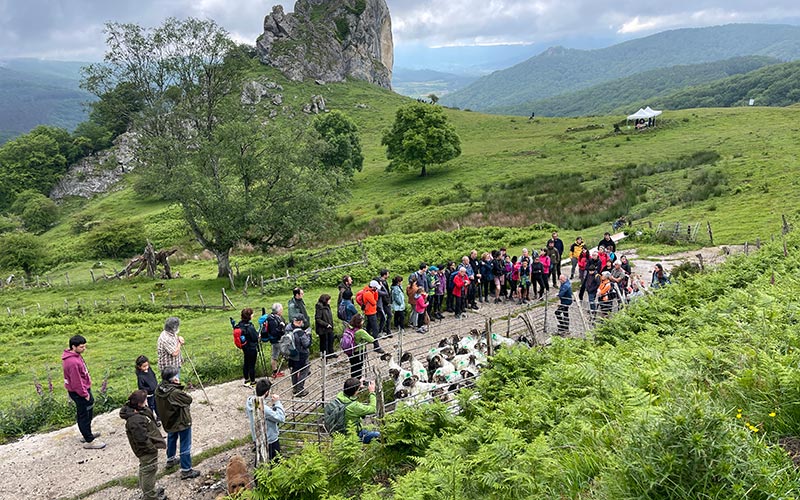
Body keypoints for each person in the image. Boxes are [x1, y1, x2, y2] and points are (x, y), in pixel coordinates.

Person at [120, 390, 167, 500]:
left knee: (145, 469)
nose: (147, 401)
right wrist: (152, 448)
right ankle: (151, 496)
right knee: (148, 471)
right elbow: (141, 439)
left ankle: (149, 491)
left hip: (146, 449)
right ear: (139, 403)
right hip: (146, 451)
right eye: (145, 400)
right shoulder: (135, 420)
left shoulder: (138, 411)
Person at [155, 367, 200, 479]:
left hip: (169, 420)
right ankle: (186, 470)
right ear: (173, 379)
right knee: (185, 444)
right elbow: (188, 400)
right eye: (176, 375)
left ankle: (170, 459)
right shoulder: (174, 393)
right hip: (181, 421)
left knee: (171, 438)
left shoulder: (159, 389)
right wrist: (178, 387)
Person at [62, 334, 105, 449]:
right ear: (73, 346)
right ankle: (89, 440)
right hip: (80, 392)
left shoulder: (75, 356)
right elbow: (76, 381)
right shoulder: (73, 362)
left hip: (82, 389)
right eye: (81, 347)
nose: (84, 349)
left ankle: (87, 433)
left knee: (86, 412)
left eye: (84, 346)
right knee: (84, 415)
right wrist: (84, 394)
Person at [245, 378, 285, 463]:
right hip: (269, 440)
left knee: (260, 460)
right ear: (267, 392)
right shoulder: (263, 409)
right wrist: (277, 403)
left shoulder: (251, 401)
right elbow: (281, 418)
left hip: (257, 437)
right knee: (275, 463)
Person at [335, 377, 380, 443]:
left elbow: (349, 390)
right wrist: (372, 392)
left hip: (342, 431)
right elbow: (373, 409)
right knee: (379, 435)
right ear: (356, 391)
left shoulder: (340, 396)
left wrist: (357, 384)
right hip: (354, 434)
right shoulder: (354, 406)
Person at [288, 315, 312, 397]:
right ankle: (300, 390)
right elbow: (306, 344)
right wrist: (308, 335)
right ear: (300, 321)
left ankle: (295, 388)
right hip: (301, 355)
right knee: (304, 370)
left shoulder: (288, 328)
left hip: (291, 354)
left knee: (294, 370)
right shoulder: (300, 332)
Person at [236, 308, 260, 387]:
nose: (253, 315)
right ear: (249, 316)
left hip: (245, 347)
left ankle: (246, 380)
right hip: (252, 348)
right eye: (252, 314)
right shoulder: (250, 327)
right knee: (252, 365)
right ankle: (253, 382)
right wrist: (258, 335)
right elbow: (255, 338)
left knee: (246, 363)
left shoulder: (240, 325)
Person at [346, 314, 375, 379]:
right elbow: (371, 339)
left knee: (353, 366)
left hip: (351, 351)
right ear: (359, 322)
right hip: (359, 352)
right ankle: (358, 381)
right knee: (359, 366)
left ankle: (353, 380)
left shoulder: (349, 328)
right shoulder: (360, 331)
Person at [261, 303, 286, 378]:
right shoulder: (273, 320)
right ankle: (295, 370)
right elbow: (274, 332)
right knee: (289, 354)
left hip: (274, 341)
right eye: (281, 309)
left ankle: (275, 372)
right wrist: (281, 326)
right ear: (278, 310)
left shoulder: (273, 317)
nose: (282, 311)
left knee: (274, 356)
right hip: (277, 340)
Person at [135, 355, 160, 427]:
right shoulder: (140, 376)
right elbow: (141, 387)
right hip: (149, 395)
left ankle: (159, 417)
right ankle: (152, 420)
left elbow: (154, 377)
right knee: (151, 407)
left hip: (155, 391)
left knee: (157, 405)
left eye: (147, 365)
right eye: (144, 366)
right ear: (139, 367)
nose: (146, 367)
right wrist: (149, 389)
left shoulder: (150, 370)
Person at [315, 294, 335, 359]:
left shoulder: (327, 306)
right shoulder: (319, 307)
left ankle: (331, 353)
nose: (330, 301)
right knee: (324, 343)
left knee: (331, 340)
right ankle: (325, 355)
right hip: (323, 329)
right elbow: (318, 319)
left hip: (329, 327)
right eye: (329, 300)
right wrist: (326, 324)